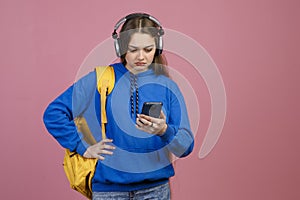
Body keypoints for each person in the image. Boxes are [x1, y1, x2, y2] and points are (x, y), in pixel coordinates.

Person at [43, 13, 194, 200]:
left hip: (155, 191)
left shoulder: (168, 86)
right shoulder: (100, 79)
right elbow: (53, 113)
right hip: (109, 191)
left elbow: (186, 146)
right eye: (133, 50)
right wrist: (82, 146)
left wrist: (164, 130)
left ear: (158, 48)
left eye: (148, 49)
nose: (141, 57)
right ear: (121, 48)